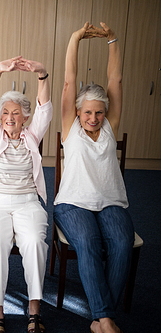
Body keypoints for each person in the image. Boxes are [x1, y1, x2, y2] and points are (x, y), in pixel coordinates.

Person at [53, 22, 134, 333]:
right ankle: (105, 319)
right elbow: (69, 81)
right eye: (87, 112)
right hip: (73, 203)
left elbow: (116, 78)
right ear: (78, 112)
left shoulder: (109, 126)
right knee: (88, 242)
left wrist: (112, 39)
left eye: (99, 113)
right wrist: (75, 38)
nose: (93, 118)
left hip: (111, 202)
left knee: (122, 241)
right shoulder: (72, 127)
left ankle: (102, 318)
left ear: (106, 112)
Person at [0, 56, 52, 333]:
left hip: (27, 203)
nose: (9, 118)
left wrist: (42, 74)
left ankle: (35, 308)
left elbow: (45, 109)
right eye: (5, 113)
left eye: (16, 113)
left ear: (25, 117)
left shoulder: (32, 136)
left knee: (34, 241)